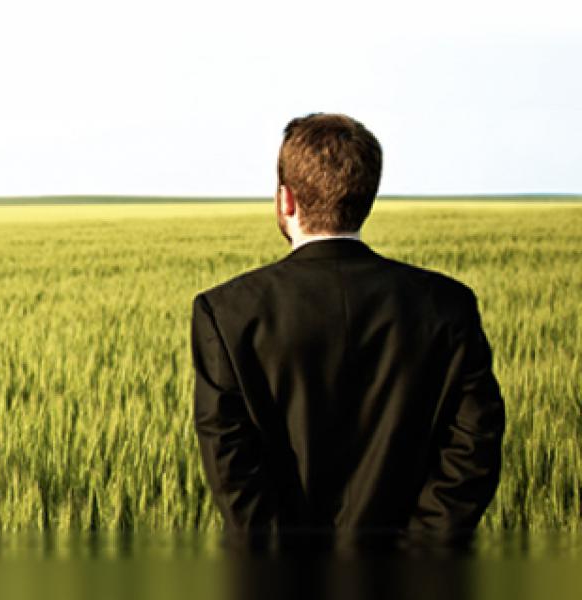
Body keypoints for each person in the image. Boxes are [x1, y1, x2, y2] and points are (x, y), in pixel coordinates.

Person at [190, 113, 505, 553]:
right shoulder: (447, 306)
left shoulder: (226, 313)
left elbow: (230, 464)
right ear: (366, 198)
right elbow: (474, 445)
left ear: (286, 200)